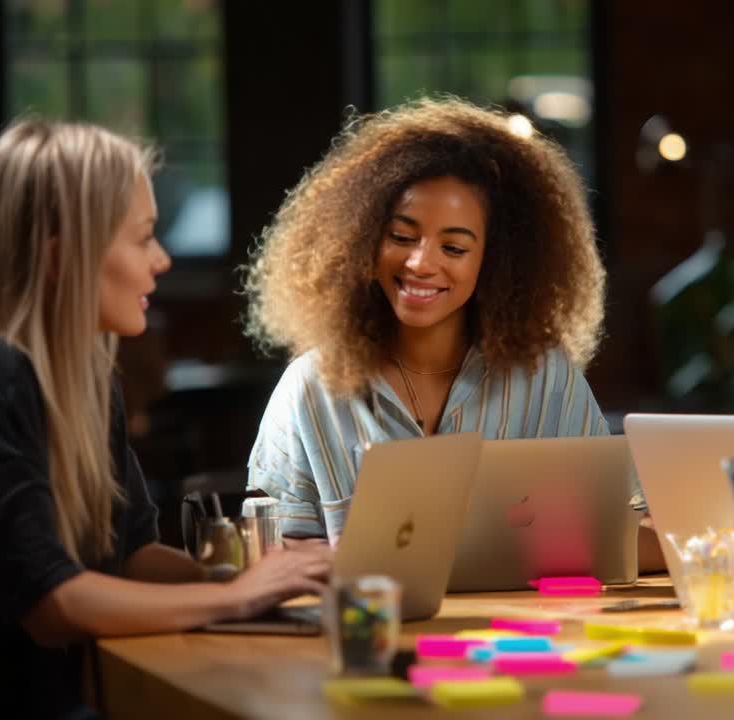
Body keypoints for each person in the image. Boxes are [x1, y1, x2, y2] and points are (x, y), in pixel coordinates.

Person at [0, 119, 330, 718]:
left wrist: (264, 574)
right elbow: (51, 604)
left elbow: (130, 555)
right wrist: (236, 598)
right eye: (143, 237)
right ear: (61, 253)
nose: (162, 259)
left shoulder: (86, 383)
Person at [243, 98, 658, 559]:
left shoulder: (545, 378)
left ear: (495, 262)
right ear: (362, 241)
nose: (421, 263)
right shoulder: (309, 389)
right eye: (402, 237)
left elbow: (625, 529)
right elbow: (270, 557)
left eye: (454, 248)